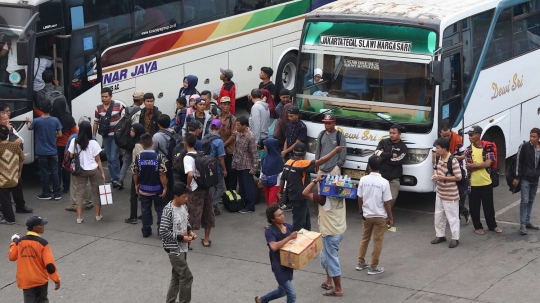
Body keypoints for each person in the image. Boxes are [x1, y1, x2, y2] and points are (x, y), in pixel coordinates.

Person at [279, 142, 345, 231]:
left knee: (306, 221)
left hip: (293, 196)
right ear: (305, 153)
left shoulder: (288, 162)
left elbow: (282, 178)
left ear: (294, 152)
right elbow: (321, 161)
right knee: (299, 224)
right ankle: (296, 241)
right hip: (300, 197)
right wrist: (335, 151)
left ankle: (307, 239)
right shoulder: (301, 164)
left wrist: (280, 192)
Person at [302, 173, 346, 297]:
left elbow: (305, 192)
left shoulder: (324, 199)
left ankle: (338, 289)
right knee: (325, 257)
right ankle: (329, 281)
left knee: (331, 260)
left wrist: (315, 181)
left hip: (330, 234)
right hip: (338, 230)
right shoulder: (342, 195)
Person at [356, 155, 394, 275]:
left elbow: (360, 198)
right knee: (378, 241)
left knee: (365, 238)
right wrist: (390, 218)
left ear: (369, 166)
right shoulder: (384, 182)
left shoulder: (363, 180)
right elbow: (387, 202)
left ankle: (361, 262)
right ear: (381, 167)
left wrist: (361, 211)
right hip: (380, 216)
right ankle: (373, 266)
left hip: (367, 215)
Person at [8, 216, 61, 302]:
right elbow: (50, 265)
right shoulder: (43, 243)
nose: (43, 227)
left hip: (26, 280)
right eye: (41, 225)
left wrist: (14, 242)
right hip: (40, 279)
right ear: (35, 228)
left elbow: (12, 257)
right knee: (42, 300)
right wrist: (56, 280)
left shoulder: (20, 242)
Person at [160, 182, 195, 303]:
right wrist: (181, 238)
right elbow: (163, 232)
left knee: (177, 277)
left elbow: (186, 221)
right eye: (184, 197)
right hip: (174, 250)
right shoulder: (168, 210)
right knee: (187, 277)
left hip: (183, 247)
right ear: (176, 196)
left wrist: (190, 232)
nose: (186, 199)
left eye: (187, 196)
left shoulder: (183, 207)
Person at [255, 204, 297, 303]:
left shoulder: (289, 227)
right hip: (279, 267)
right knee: (292, 294)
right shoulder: (269, 231)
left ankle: (261, 300)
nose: (282, 216)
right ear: (272, 219)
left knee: (282, 291)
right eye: (279, 215)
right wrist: (289, 237)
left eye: (282, 214)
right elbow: (273, 246)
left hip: (288, 265)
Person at [464, 125, 502, 235]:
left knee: (489, 207)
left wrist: (475, 166)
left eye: (471, 135)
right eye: (469, 135)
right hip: (473, 183)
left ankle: (492, 225)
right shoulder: (468, 150)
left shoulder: (488, 147)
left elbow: (489, 163)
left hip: (487, 182)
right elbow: (468, 166)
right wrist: (482, 165)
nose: (469, 137)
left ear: (478, 135)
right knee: (474, 207)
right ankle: (477, 226)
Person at [68, 121, 106, 224]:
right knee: (96, 193)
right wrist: (102, 172)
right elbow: (98, 159)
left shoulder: (74, 141)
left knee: (79, 193)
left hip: (80, 170)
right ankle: (98, 215)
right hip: (93, 170)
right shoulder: (94, 143)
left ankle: (79, 217)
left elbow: (70, 156)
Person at [183, 133, 215, 248]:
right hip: (206, 187)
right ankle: (206, 240)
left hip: (195, 189)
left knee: (192, 214)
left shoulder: (187, 157)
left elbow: (190, 174)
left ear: (185, 143)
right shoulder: (200, 154)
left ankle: (190, 242)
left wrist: (188, 185)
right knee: (208, 213)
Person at [26, 101, 63, 200]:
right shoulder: (55, 120)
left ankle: (46, 193)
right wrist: (52, 135)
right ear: (51, 109)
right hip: (53, 151)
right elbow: (60, 134)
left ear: (41, 109)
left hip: (41, 151)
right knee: (55, 172)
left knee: (44, 172)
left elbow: (29, 128)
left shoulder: (37, 121)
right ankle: (57, 193)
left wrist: (28, 121)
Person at [432, 123, 468, 222]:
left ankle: (462, 212)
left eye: (448, 135)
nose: (447, 137)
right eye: (444, 136)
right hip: (443, 172)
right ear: (440, 133)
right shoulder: (437, 143)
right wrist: (436, 173)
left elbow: (463, 155)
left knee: (459, 195)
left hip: (456, 169)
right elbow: (434, 158)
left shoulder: (457, 139)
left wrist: (453, 158)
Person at [133, 134, 167, 237]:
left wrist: (136, 184)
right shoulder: (158, 157)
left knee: (145, 209)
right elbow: (162, 173)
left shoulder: (139, 157)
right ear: (152, 143)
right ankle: (161, 231)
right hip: (157, 189)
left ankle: (146, 230)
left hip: (144, 188)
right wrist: (165, 187)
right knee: (160, 209)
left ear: (142, 144)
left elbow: (135, 172)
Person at [431, 138, 462, 248]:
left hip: (450, 194)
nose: (436, 150)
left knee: (452, 217)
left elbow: (458, 177)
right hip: (440, 192)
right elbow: (435, 167)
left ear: (444, 149)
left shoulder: (452, 160)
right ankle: (440, 235)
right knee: (439, 215)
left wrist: (442, 177)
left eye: (438, 148)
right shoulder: (438, 157)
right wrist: (436, 175)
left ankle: (455, 238)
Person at [0, 109, 31, 214]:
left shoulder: (11, 129)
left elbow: (20, 140)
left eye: (7, 118)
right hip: (3, 164)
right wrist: (9, 135)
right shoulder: (3, 131)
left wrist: (10, 132)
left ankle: (20, 206)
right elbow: (9, 143)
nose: (7, 121)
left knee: (18, 185)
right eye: (4, 119)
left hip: (13, 163)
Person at [93, 87, 124, 188]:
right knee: (109, 158)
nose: (104, 98)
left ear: (111, 96)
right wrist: (94, 137)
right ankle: (115, 177)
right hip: (105, 136)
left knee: (113, 157)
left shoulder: (119, 106)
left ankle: (117, 179)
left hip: (116, 136)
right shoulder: (98, 108)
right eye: (102, 97)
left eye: (106, 96)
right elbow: (96, 123)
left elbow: (125, 119)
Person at [64, 117, 95, 212]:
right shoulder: (93, 139)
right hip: (89, 166)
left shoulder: (73, 138)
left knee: (75, 184)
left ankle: (74, 204)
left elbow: (70, 154)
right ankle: (88, 202)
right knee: (87, 184)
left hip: (77, 166)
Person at [513, 128, 540, 235]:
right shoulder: (524, 146)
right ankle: (522, 224)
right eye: (531, 136)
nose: (531, 138)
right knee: (524, 200)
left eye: (534, 136)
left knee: (531, 200)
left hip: (535, 179)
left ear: (538, 138)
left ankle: (528, 221)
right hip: (525, 178)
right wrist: (517, 177)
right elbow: (518, 162)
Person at [374, 125, 408, 207]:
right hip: (381, 177)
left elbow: (399, 160)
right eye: (390, 133)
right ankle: (380, 216)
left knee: (391, 198)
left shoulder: (403, 147)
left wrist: (384, 156)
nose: (391, 135)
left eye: (394, 133)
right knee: (377, 198)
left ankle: (385, 215)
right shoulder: (383, 142)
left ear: (399, 134)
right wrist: (391, 155)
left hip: (394, 179)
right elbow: (377, 153)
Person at [118, 90, 145, 189]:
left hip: (126, 138)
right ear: (141, 100)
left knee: (127, 160)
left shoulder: (125, 110)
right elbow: (137, 126)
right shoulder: (139, 111)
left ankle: (120, 180)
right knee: (138, 161)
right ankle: (139, 183)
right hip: (135, 139)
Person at [232, 116, 259, 213]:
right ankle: (243, 204)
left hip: (247, 166)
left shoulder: (250, 137)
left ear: (244, 126)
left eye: (238, 125)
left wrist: (254, 168)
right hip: (239, 165)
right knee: (242, 187)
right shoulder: (237, 134)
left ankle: (250, 206)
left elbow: (254, 153)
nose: (236, 127)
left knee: (248, 187)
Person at [52, 94, 78, 194]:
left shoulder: (52, 118)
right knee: (66, 166)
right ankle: (66, 186)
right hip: (67, 146)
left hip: (55, 146)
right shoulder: (69, 118)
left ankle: (56, 186)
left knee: (56, 166)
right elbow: (75, 132)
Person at [0, 125, 24, 224]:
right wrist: (19, 171)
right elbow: (22, 159)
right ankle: (19, 208)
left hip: (2, 179)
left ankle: (10, 219)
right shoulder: (15, 146)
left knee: (5, 200)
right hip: (14, 177)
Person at [314, 114, 346, 185]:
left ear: (334, 123)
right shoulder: (321, 134)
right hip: (321, 168)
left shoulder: (339, 136)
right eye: (325, 123)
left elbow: (343, 153)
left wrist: (338, 165)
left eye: (329, 123)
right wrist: (316, 163)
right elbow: (317, 150)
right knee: (320, 191)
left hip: (334, 168)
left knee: (334, 192)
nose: (327, 125)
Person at [125, 123, 146, 224]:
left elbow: (137, 160)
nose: (130, 132)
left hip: (139, 172)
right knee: (144, 194)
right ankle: (144, 214)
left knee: (134, 194)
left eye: (132, 130)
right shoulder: (145, 141)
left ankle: (133, 216)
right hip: (146, 172)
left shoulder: (138, 145)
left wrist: (135, 174)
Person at [205, 120, 227, 215]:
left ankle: (207, 205)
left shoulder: (206, 137)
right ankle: (213, 205)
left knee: (208, 187)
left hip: (205, 166)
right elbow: (221, 157)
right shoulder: (219, 141)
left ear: (210, 127)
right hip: (216, 167)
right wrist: (224, 169)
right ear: (220, 128)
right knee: (220, 187)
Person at [152, 114, 175, 201]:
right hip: (171, 160)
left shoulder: (156, 136)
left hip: (162, 161)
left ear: (158, 124)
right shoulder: (173, 132)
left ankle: (164, 196)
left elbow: (153, 151)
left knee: (163, 180)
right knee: (171, 180)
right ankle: (172, 197)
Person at [218, 97, 237, 191]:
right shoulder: (218, 118)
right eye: (224, 104)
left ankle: (232, 192)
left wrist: (223, 145)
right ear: (220, 105)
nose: (226, 106)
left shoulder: (233, 119)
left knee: (231, 172)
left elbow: (234, 135)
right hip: (221, 150)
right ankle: (227, 193)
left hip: (230, 150)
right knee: (224, 171)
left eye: (228, 104)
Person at [259, 138, 284, 206]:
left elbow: (281, 174)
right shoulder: (265, 155)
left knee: (272, 202)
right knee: (268, 201)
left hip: (275, 183)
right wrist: (260, 178)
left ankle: (274, 215)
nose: (264, 147)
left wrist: (282, 187)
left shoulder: (277, 159)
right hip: (265, 181)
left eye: (266, 145)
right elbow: (263, 167)